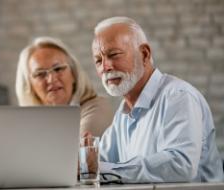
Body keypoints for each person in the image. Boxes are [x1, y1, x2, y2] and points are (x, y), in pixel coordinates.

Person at [92, 16, 224, 183]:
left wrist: (102, 169)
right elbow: (100, 164)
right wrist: (84, 161)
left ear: (144, 54)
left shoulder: (178, 97)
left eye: (114, 55)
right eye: (98, 60)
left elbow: (180, 165)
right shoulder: (123, 112)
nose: (105, 67)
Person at [16, 37, 113, 136]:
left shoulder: (97, 110)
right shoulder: (32, 123)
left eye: (58, 69)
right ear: (29, 86)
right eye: (40, 74)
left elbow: (75, 151)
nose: (51, 79)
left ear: (74, 74)